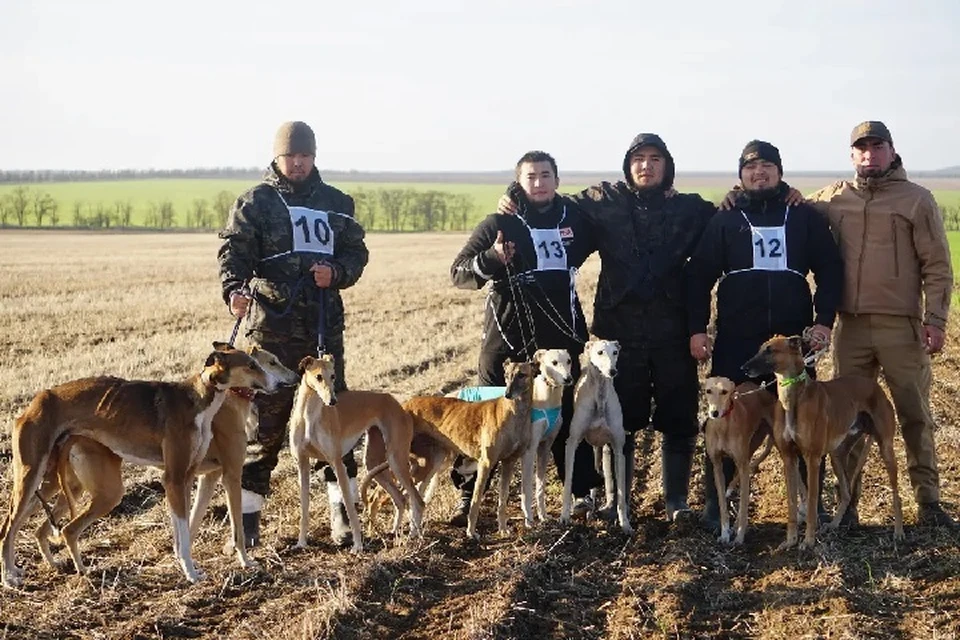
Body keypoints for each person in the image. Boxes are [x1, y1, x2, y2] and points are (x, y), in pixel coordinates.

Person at [501, 134, 716, 524]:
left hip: (672, 328)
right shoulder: (604, 201)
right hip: (617, 333)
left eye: (655, 159)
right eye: (638, 159)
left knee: (679, 414)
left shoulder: (689, 209)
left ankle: (677, 503)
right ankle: (617, 501)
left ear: (667, 166)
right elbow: (547, 198)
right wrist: (512, 194)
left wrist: (749, 195)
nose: (646, 166)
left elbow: (729, 217)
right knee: (620, 417)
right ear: (627, 164)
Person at [218, 120, 370, 546]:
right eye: (290, 157)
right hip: (270, 333)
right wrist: (234, 290)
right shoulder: (255, 202)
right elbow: (234, 251)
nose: (298, 163)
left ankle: (344, 519)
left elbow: (356, 252)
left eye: (304, 156)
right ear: (277, 157)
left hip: (323, 331)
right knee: (261, 431)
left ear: (314, 156)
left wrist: (337, 271)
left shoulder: (338, 203)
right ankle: (246, 526)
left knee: (332, 427)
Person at [687, 140, 843, 531]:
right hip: (739, 340)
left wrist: (824, 320)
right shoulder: (725, 219)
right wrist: (697, 329)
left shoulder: (803, 216)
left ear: (780, 172)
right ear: (740, 175)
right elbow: (699, 276)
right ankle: (716, 505)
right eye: (751, 167)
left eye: (768, 166)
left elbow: (830, 269)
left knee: (806, 423)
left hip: (791, 344)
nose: (760, 173)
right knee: (725, 419)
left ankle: (811, 506)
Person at [806, 121, 955, 528]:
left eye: (877, 147)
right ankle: (847, 505)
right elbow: (791, 207)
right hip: (850, 328)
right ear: (852, 155)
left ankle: (928, 503)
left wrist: (936, 320)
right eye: (862, 148)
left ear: (892, 151)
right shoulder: (836, 197)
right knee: (847, 420)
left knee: (913, 415)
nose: (869, 155)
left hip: (901, 328)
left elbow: (938, 266)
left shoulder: (916, 200)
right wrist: (740, 195)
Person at [449, 150, 602, 525]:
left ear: (557, 180)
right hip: (506, 341)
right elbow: (458, 272)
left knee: (566, 414)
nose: (539, 183)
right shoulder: (499, 222)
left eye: (545, 175)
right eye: (530, 177)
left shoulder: (575, 219)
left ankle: (581, 493)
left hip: (560, 339)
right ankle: (470, 496)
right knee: (490, 418)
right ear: (518, 182)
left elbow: (610, 215)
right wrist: (491, 259)